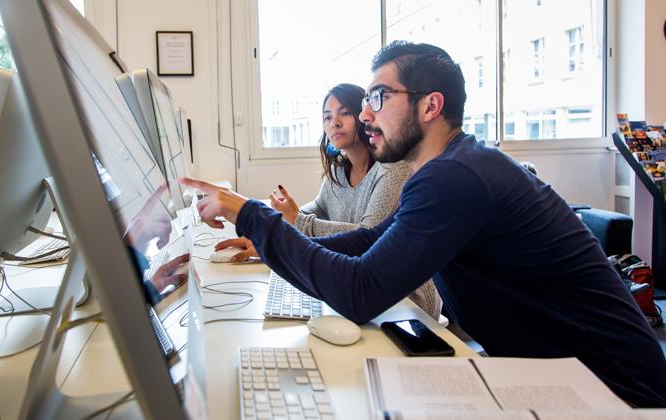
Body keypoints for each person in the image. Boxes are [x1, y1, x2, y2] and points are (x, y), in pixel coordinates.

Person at [180, 41, 666, 407]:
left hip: (615, 395)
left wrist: (251, 215)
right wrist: (269, 238)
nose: (366, 114)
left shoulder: (456, 177)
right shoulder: (448, 169)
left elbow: (361, 291)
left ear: (430, 106)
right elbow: (372, 240)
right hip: (562, 379)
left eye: (378, 96)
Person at [216, 83, 442, 320]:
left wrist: (292, 224)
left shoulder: (392, 169)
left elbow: (369, 236)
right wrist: (278, 225)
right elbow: (319, 207)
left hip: (406, 299)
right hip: (362, 285)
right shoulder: (339, 170)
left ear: (364, 115)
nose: (334, 122)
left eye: (344, 113)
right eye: (327, 117)